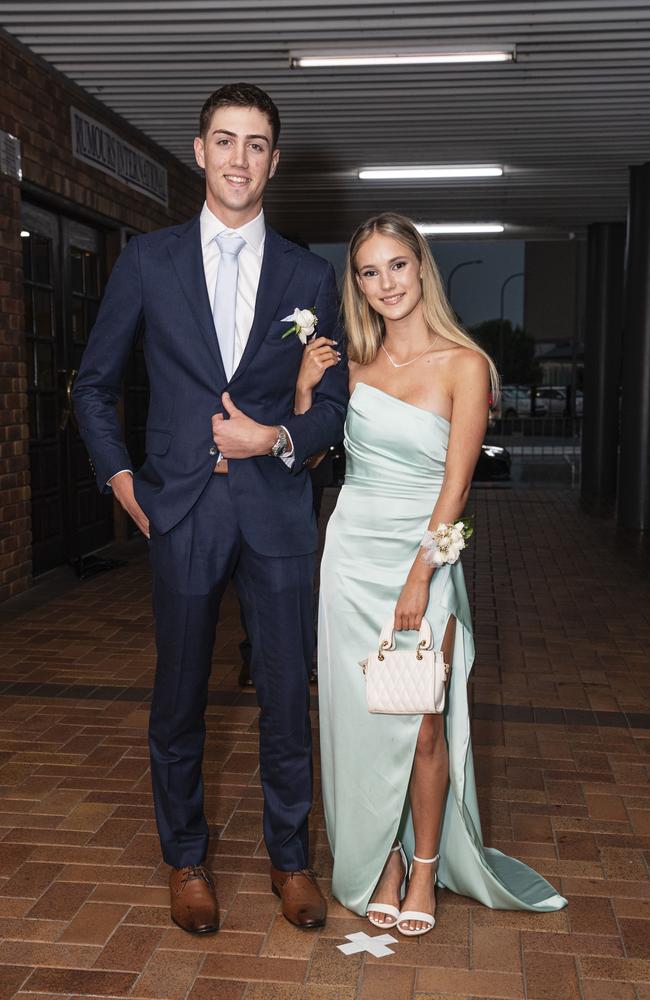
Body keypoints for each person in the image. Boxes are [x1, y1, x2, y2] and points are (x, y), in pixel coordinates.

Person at [72, 83, 348, 934]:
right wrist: (124, 486)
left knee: (285, 698)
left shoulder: (308, 274)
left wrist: (273, 440)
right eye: (224, 141)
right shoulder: (147, 262)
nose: (239, 158)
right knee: (179, 696)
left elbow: (333, 404)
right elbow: (92, 384)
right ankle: (185, 859)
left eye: (256, 144)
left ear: (273, 159)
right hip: (180, 511)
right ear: (198, 152)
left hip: (276, 510)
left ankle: (290, 861)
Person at [296, 212, 566, 937]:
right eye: (368, 271)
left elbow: (457, 489)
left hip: (423, 557)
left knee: (421, 723)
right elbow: (315, 463)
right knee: (359, 721)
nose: (385, 283)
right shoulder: (352, 367)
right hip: (351, 557)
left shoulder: (465, 365)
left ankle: (422, 867)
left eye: (397, 266)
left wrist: (422, 572)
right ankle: (378, 861)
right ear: (357, 282)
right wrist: (304, 390)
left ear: (422, 268)